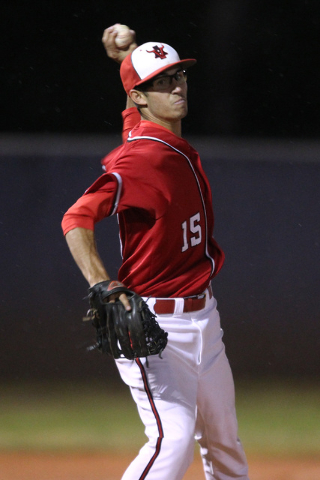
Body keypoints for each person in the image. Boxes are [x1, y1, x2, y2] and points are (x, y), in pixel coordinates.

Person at [61, 24, 250, 480]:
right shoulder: (139, 158)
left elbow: (132, 106)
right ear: (143, 98)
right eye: (161, 82)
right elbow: (76, 218)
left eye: (178, 76)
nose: (177, 87)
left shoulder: (153, 133)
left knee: (223, 438)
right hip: (158, 327)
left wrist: (127, 61)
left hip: (205, 318)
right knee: (173, 439)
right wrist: (103, 283)